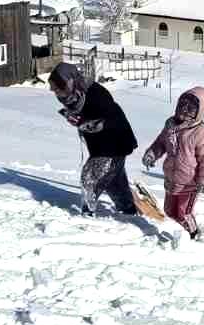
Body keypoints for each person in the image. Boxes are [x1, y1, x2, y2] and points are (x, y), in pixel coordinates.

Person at [48, 61, 138, 216]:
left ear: (71, 82)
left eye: (59, 88)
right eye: (54, 89)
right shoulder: (73, 97)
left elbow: (112, 118)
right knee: (114, 183)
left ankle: (87, 216)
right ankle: (129, 213)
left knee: (90, 177)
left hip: (114, 143)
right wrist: (74, 118)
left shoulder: (96, 93)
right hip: (100, 145)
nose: (56, 92)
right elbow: (83, 116)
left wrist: (88, 124)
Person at [142, 87, 204, 241]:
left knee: (183, 213)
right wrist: (151, 154)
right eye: (182, 105)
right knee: (169, 211)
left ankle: (195, 235)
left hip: (190, 183)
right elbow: (161, 143)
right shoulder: (170, 125)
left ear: (199, 111)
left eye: (190, 108)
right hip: (171, 178)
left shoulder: (201, 132)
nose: (184, 110)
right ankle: (187, 230)